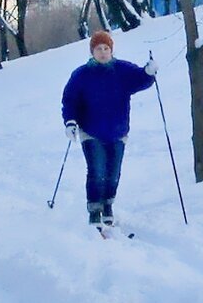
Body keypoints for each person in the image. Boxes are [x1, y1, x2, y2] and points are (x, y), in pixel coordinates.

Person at [61, 30, 157, 227]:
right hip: (90, 131)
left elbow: (141, 79)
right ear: (92, 52)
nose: (103, 52)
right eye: (98, 49)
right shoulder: (81, 75)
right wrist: (70, 121)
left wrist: (148, 71)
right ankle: (94, 210)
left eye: (106, 48)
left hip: (118, 131)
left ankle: (108, 205)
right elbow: (70, 100)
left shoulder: (121, 70)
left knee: (113, 173)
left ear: (111, 50)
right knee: (96, 171)